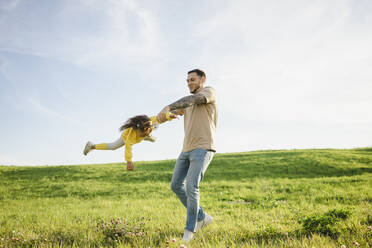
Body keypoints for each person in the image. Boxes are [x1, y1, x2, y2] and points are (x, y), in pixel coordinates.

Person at [157, 69, 217, 242]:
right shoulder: (187, 104)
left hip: (203, 147)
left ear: (202, 79)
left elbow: (192, 100)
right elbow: (176, 112)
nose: (189, 82)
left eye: (192, 79)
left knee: (192, 186)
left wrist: (168, 106)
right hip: (186, 149)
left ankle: (190, 231)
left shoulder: (208, 92)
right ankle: (202, 217)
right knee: (176, 185)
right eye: (187, 81)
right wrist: (161, 118)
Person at [83, 113, 176, 171]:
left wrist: (169, 116)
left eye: (145, 133)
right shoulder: (130, 137)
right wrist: (129, 161)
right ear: (138, 130)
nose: (142, 134)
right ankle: (92, 146)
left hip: (145, 134)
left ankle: (148, 136)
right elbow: (128, 148)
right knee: (113, 146)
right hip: (125, 137)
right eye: (142, 133)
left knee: (153, 136)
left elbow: (161, 117)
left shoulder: (150, 122)